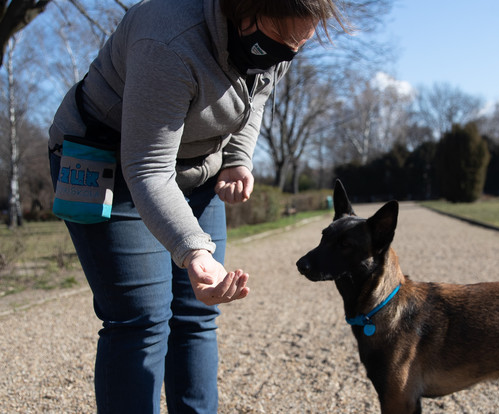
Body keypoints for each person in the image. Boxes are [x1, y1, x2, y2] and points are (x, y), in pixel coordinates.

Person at [47, 0, 346, 412]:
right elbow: (148, 169)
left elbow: (256, 95)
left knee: (197, 315)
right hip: (109, 162)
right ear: (245, 10)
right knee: (141, 320)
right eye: (277, 43)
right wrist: (193, 249)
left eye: (296, 47)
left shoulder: (279, 38)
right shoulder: (169, 41)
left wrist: (239, 157)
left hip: (194, 168)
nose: (285, 57)